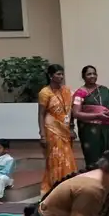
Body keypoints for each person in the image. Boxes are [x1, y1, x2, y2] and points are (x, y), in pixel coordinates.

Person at [38, 64, 77, 194]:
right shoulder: (45, 93)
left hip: (65, 130)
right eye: (58, 74)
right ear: (50, 76)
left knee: (67, 158)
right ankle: (55, 186)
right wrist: (42, 135)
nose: (61, 76)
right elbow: (41, 114)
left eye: (62, 74)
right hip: (52, 130)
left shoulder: (67, 90)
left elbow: (70, 111)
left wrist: (71, 128)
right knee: (55, 158)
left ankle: (67, 184)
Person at [73, 65, 109, 169]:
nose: (92, 76)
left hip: (107, 129)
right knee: (93, 157)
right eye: (89, 74)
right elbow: (76, 113)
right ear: (83, 76)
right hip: (90, 132)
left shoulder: (104, 90)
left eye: (94, 73)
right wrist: (97, 115)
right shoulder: (79, 93)